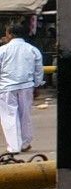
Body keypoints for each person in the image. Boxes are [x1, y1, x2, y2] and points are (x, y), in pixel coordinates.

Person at [0, 23, 44, 155]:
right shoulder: (32, 49)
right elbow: (38, 70)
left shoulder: (3, 50)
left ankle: (14, 147)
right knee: (25, 115)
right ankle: (25, 143)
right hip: (26, 86)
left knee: (9, 116)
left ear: (10, 34)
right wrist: (37, 85)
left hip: (7, 87)